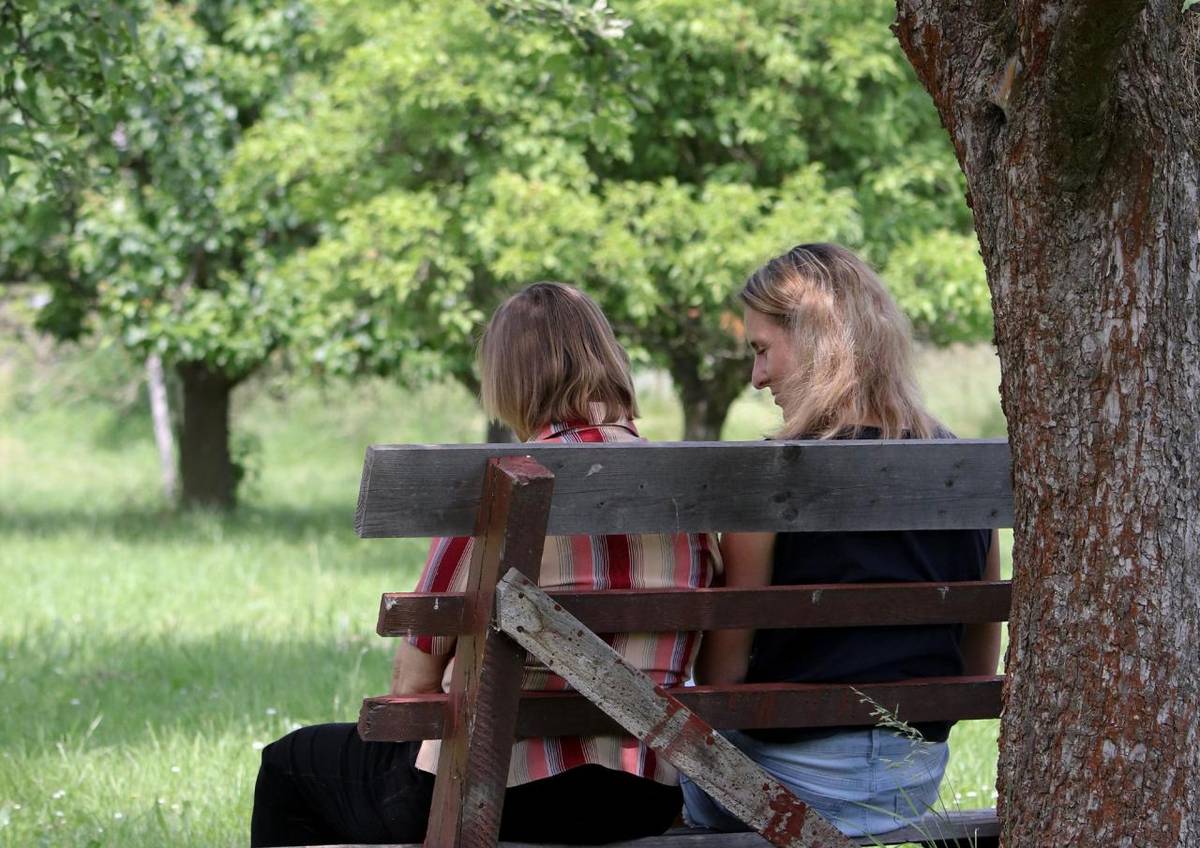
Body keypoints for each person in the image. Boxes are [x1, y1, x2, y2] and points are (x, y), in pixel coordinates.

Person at [251, 282, 721, 847]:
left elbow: (414, 684)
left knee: (291, 764)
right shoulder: (692, 497)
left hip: (492, 796)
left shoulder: (496, 489)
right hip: (640, 798)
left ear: (508, 379)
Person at [682, 243, 1002, 838]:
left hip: (784, 786)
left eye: (760, 350)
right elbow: (977, 669)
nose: (756, 378)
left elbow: (722, 682)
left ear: (812, 341)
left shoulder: (771, 478)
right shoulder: (962, 467)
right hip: (912, 784)